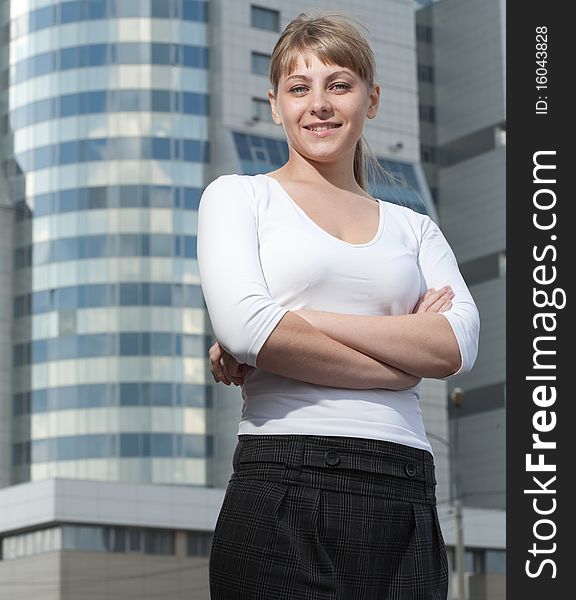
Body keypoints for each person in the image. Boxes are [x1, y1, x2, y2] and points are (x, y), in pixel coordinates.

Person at [197, 11, 479, 600]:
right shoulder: (239, 197)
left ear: (370, 100)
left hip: (404, 484)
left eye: (339, 85)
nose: (318, 104)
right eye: (299, 89)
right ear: (275, 104)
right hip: (283, 477)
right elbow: (248, 328)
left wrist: (291, 322)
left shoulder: (415, 227)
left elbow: (456, 345)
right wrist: (402, 365)